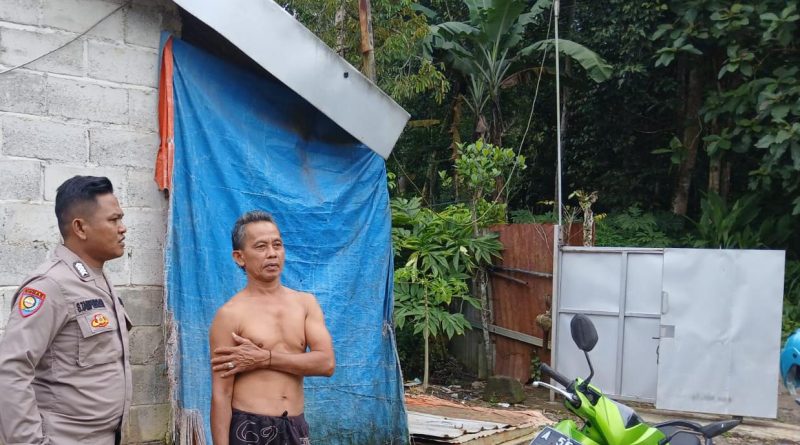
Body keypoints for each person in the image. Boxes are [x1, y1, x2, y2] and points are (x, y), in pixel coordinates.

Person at [0, 175, 132, 445]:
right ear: (80, 228)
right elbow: (11, 369)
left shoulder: (96, 279)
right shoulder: (50, 286)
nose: (123, 228)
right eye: (113, 220)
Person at [209, 210, 335, 445]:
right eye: (261, 246)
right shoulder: (230, 315)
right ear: (239, 257)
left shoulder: (305, 304)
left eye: (277, 245)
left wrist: (265, 358)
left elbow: (326, 363)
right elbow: (221, 393)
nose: (272, 253)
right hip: (249, 427)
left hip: (295, 426)